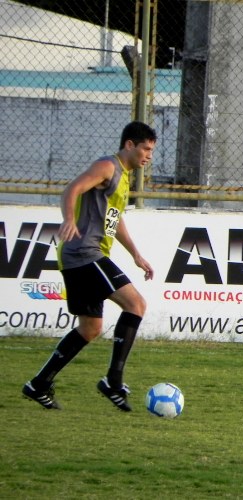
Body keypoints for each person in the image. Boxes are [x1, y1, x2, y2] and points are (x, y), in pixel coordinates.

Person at [22, 121, 156, 410]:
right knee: (136, 305)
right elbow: (72, 189)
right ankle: (113, 380)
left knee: (90, 328)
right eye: (145, 148)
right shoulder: (108, 167)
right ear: (130, 145)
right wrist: (69, 218)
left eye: (151, 150)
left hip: (84, 255)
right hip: (84, 253)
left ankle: (39, 384)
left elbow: (114, 219)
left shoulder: (124, 178)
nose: (149, 155)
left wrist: (135, 254)